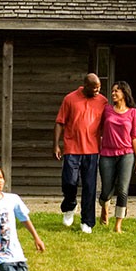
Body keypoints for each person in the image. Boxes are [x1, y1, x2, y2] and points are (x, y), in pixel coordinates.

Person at [53, 72, 107, 233]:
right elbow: (60, 122)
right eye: (95, 88)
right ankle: (70, 206)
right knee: (69, 181)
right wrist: (56, 145)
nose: (98, 91)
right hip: (72, 148)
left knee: (90, 187)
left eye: (99, 88)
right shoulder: (70, 99)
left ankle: (87, 222)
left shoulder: (103, 102)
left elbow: (112, 120)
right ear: (86, 86)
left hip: (92, 150)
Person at [98, 80, 136, 232]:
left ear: (124, 92)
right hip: (107, 154)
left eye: (116, 91)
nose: (113, 93)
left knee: (123, 190)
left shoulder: (133, 113)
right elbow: (97, 128)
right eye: (112, 91)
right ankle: (104, 207)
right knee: (106, 190)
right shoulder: (107, 110)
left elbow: (135, 136)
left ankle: (118, 225)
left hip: (126, 154)